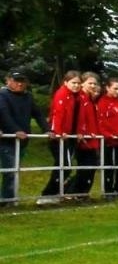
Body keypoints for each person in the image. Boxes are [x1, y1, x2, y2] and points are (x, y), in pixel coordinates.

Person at [1, 69, 50, 206]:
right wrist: (15, 130)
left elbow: (38, 114)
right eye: (17, 81)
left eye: (22, 81)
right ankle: (8, 200)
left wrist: (47, 129)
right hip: (6, 140)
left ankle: (7, 199)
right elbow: (4, 114)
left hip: (21, 141)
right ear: (8, 81)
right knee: (10, 170)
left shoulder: (28, 97)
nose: (20, 84)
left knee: (13, 171)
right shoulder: (3, 95)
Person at [39, 70, 83, 204]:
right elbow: (58, 114)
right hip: (61, 137)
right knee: (65, 165)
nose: (76, 85)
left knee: (64, 165)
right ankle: (48, 194)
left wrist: (77, 131)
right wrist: (58, 132)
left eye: (78, 83)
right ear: (65, 82)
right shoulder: (62, 94)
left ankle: (54, 193)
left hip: (70, 136)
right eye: (73, 83)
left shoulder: (76, 97)